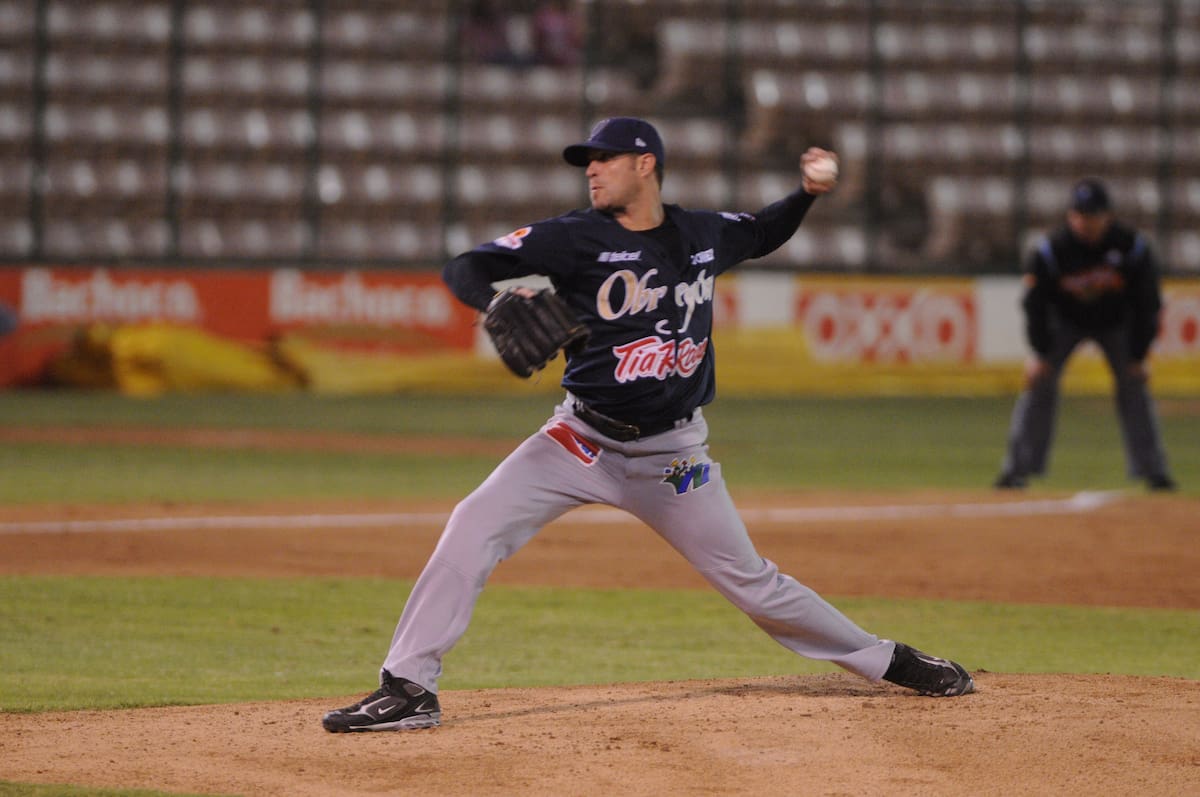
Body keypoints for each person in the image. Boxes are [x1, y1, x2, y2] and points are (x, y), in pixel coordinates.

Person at [322, 116, 974, 733]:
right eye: (587, 162)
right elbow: (465, 265)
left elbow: (762, 230)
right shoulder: (575, 237)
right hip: (577, 440)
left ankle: (890, 660)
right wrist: (494, 299)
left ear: (646, 164)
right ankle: (409, 687)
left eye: (604, 158)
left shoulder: (701, 234)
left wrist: (805, 193)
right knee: (472, 523)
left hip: (673, 455)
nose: (592, 170)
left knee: (755, 583)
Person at [994, 177, 1176, 492]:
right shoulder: (1052, 250)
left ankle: (1153, 471)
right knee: (1038, 383)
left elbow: (1147, 303)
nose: (1086, 222)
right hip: (1065, 323)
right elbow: (1036, 305)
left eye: (1093, 215)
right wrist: (1040, 353)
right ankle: (1016, 470)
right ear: (1070, 216)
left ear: (1108, 215)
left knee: (1134, 386)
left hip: (1117, 324)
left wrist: (1138, 355)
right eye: (1080, 215)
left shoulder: (1131, 248)